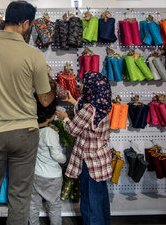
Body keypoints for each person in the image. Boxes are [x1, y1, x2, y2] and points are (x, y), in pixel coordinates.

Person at [0, 1, 55, 225]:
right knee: (20, 196)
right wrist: (50, 80)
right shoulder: (33, 55)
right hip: (25, 132)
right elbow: (45, 99)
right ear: (25, 23)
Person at [56, 71, 112, 225]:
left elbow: (74, 129)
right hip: (101, 158)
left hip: (89, 160)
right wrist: (73, 101)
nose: (81, 86)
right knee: (101, 198)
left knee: (89, 199)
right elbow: (87, 115)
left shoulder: (89, 109)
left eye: (83, 83)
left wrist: (65, 118)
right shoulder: (103, 103)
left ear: (91, 88)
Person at [29, 94, 66, 225]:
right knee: (54, 205)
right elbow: (56, 155)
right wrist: (64, 159)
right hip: (52, 176)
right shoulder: (50, 133)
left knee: (33, 204)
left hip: (35, 174)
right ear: (51, 115)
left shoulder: (32, 130)